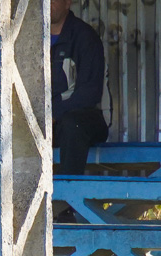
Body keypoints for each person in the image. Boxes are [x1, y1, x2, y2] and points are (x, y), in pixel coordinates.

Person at [50, 0, 109, 175]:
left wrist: (52, 115)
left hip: (85, 120)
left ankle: (69, 194)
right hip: (48, 123)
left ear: (68, 3)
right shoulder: (31, 38)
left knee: (72, 124)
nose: (47, 4)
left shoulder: (85, 36)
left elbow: (89, 94)